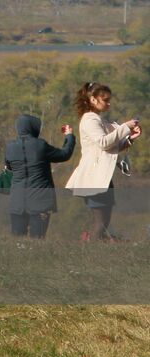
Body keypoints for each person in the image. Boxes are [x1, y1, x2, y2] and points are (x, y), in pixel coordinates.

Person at [65, 82, 140, 241]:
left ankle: (93, 247)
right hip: (94, 177)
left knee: (103, 220)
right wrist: (125, 127)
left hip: (101, 177)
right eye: (105, 100)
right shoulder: (90, 120)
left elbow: (109, 147)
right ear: (93, 99)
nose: (109, 103)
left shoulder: (96, 119)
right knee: (101, 222)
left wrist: (129, 139)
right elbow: (104, 143)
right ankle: (90, 248)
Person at [5, 114, 75, 239]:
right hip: (40, 201)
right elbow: (64, 154)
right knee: (37, 240)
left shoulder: (9, 147)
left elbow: (10, 167)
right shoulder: (40, 145)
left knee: (16, 240)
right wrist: (69, 136)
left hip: (17, 201)